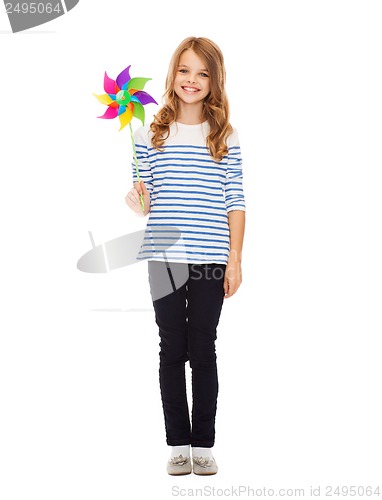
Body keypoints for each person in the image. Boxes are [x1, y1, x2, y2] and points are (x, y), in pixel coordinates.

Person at [125, 36, 246, 476]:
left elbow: (235, 200)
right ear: (172, 74)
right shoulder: (148, 134)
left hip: (212, 258)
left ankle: (204, 443)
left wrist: (235, 260)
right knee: (172, 347)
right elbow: (148, 200)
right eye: (184, 70)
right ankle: (178, 443)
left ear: (214, 81)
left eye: (202, 72)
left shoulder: (223, 135)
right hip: (165, 258)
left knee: (203, 347)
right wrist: (137, 196)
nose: (191, 80)